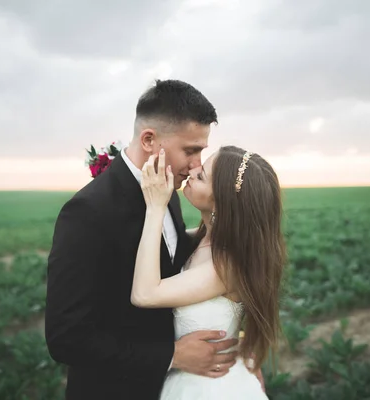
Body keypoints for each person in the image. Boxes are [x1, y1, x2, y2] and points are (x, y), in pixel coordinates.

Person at [45, 79, 241, 399]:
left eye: (201, 151)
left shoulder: (169, 193)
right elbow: (67, 338)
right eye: (190, 151)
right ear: (149, 139)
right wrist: (172, 355)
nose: (195, 165)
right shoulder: (86, 213)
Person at [131, 145, 286, 399]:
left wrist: (155, 207)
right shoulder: (205, 238)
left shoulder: (228, 264)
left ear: (222, 204)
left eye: (201, 175)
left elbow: (144, 294)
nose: (193, 169)